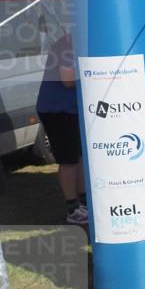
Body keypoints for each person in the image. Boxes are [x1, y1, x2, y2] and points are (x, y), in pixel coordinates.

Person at [36, 32, 87, 224]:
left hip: (70, 109)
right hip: (57, 109)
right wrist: (93, 73)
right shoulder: (67, 45)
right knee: (69, 160)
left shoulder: (76, 42)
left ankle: (83, 201)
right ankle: (72, 208)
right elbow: (67, 80)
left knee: (80, 157)